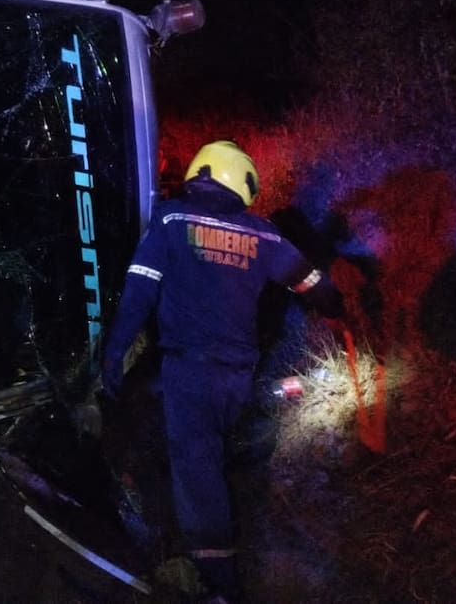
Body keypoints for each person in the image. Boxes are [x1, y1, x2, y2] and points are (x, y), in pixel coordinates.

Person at [101, 140, 345, 603]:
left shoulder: (172, 220)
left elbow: (138, 291)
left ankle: (220, 583)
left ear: (201, 172)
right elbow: (311, 283)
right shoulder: (264, 234)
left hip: (188, 371)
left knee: (197, 470)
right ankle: (215, 528)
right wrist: (337, 304)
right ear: (242, 181)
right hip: (237, 375)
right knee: (207, 453)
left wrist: (114, 355)